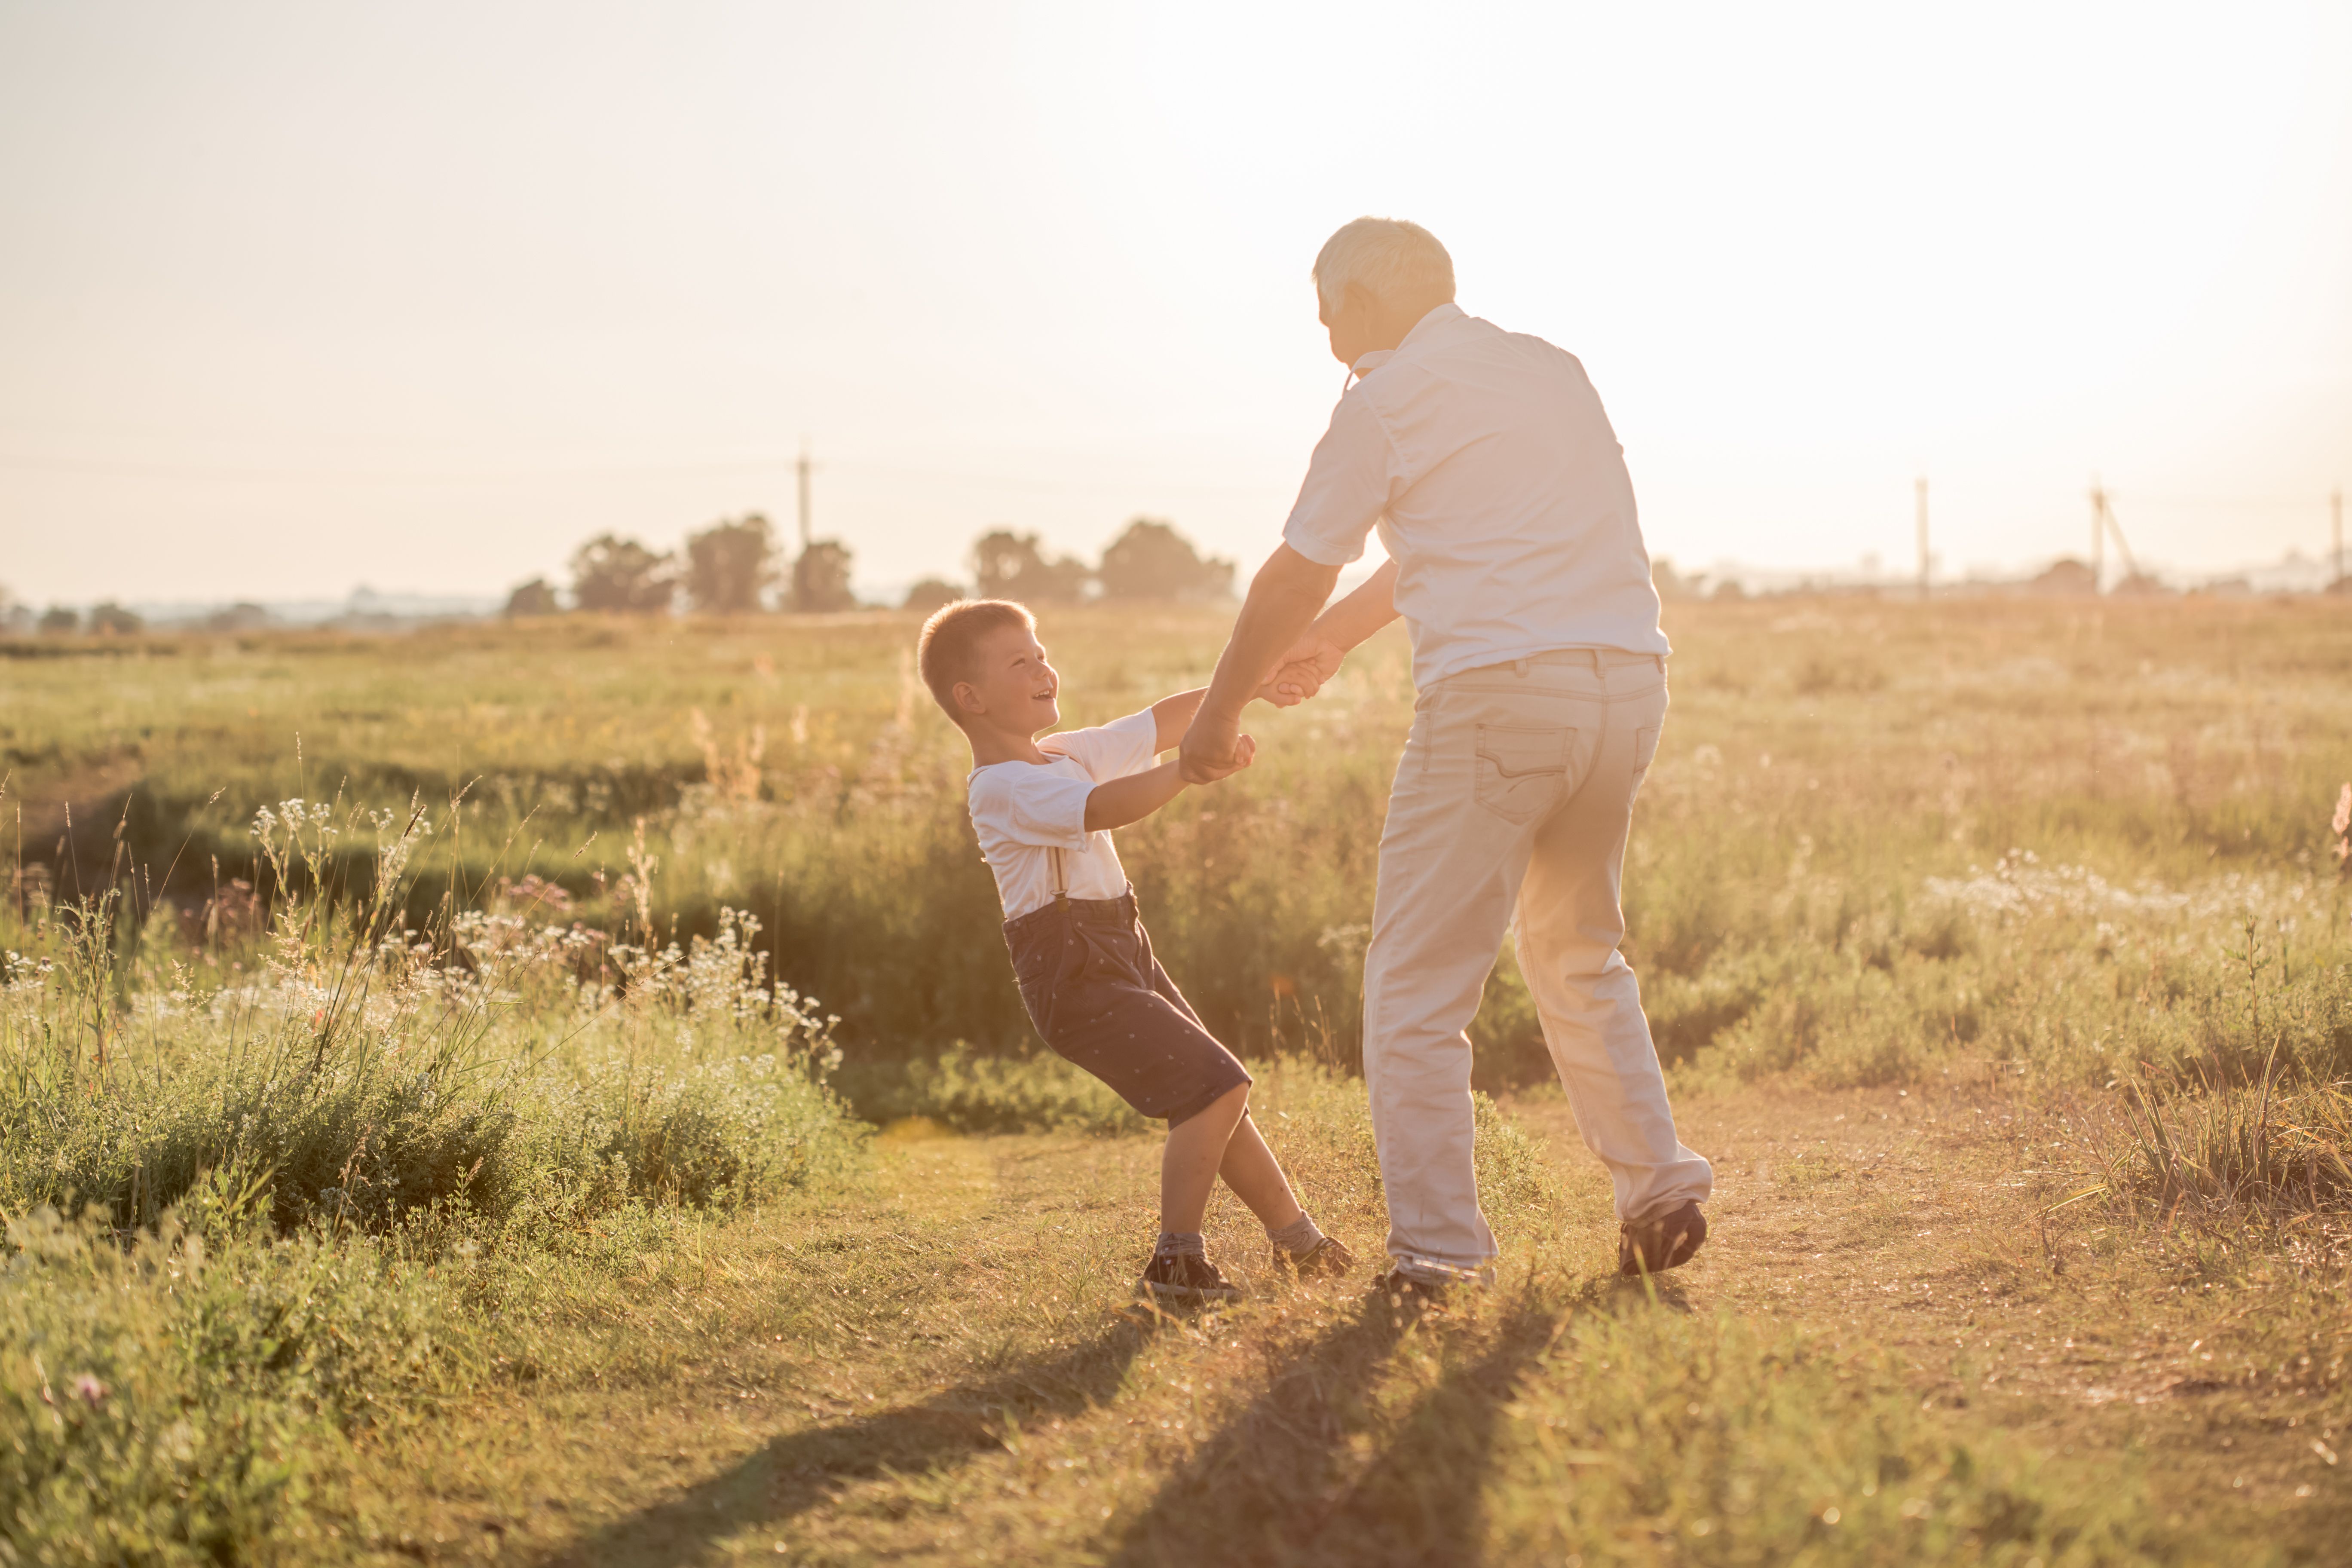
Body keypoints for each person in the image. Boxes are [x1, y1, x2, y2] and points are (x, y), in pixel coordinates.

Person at [1179, 217, 1713, 1299]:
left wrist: (1217, 713)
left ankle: (1440, 1254)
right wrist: (1335, 639)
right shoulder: (1550, 371)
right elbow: (1465, 543)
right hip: (1625, 685)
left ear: (1369, 302)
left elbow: (1295, 570)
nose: (1325, 331)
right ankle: (1658, 1188)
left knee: (1416, 986)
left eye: (1328, 309)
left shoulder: (1382, 399)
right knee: (1578, 950)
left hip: (1498, 703)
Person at [919, 597, 1355, 1302]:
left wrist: (1253, 684)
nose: (1044, 669)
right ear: (969, 699)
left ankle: (1298, 1243)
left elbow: (1164, 719)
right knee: (1220, 1085)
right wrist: (1188, 771)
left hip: (1122, 946)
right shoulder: (999, 788)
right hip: (1072, 971)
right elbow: (1101, 809)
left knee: (1217, 1098)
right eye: (1020, 662)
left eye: (1042, 653)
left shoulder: (1067, 753)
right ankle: (1176, 1263)